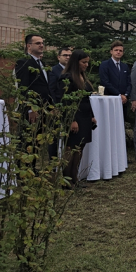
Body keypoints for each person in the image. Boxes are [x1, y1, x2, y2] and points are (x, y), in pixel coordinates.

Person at [57, 49, 96, 186]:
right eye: (83, 62)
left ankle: (75, 178)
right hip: (74, 117)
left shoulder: (83, 77)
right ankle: (66, 180)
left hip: (85, 116)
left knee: (79, 149)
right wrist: (71, 120)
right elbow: (65, 101)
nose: (86, 65)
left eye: (87, 62)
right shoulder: (67, 78)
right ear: (76, 62)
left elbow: (86, 99)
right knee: (70, 149)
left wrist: (92, 116)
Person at [15, 34, 55, 160]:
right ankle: (22, 171)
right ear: (29, 46)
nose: (41, 45)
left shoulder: (41, 63)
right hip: (32, 111)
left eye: (42, 43)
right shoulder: (24, 62)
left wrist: (51, 105)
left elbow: (46, 87)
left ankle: (33, 170)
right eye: (38, 43)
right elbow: (23, 87)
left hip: (43, 109)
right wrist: (30, 109)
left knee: (36, 142)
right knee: (27, 141)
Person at [98, 40, 131, 122]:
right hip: (111, 99)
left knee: (121, 123)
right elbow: (105, 82)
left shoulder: (125, 66)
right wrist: (118, 95)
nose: (118, 52)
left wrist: (126, 95)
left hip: (123, 101)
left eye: (120, 51)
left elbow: (129, 82)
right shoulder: (104, 65)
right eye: (116, 50)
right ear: (111, 52)